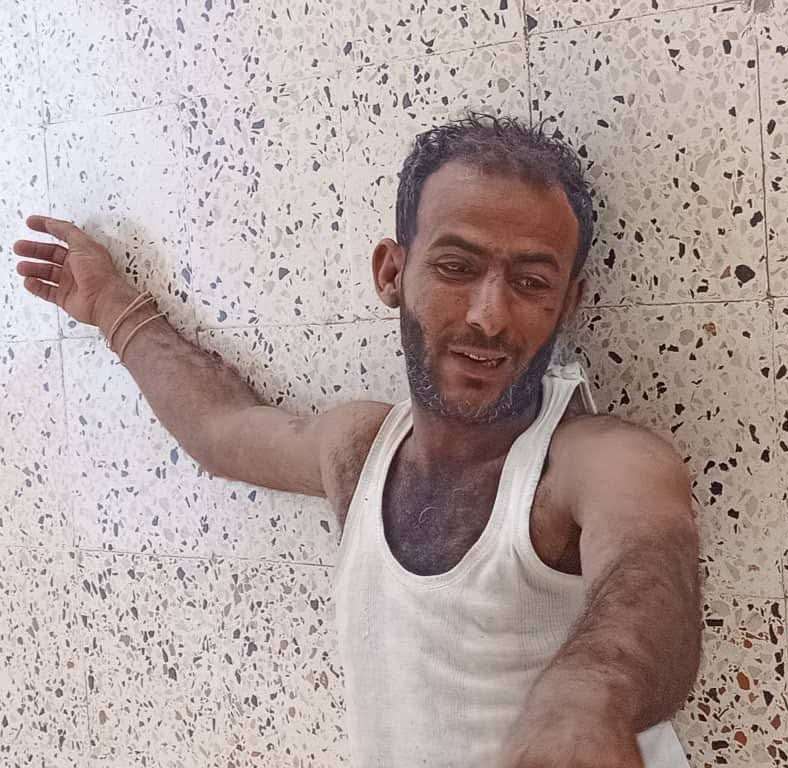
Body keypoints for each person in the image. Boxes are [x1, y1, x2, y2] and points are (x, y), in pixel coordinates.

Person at [13, 110, 702, 767]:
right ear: (391, 273)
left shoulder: (599, 460)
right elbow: (219, 428)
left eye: (529, 282)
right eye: (456, 268)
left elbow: (652, 578)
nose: (489, 317)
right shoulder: (360, 448)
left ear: (568, 302)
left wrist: (589, 696)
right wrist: (111, 307)